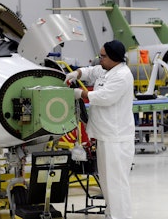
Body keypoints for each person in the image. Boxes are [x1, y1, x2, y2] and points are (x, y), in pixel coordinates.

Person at [65, 40, 135, 219]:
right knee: (106, 182)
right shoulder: (106, 70)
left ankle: (121, 216)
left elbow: (105, 97)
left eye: (103, 56)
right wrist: (76, 73)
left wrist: (80, 94)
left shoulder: (122, 75)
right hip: (105, 136)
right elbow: (90, 71)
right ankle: (111, 214)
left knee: (116, 183)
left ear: (114, 58)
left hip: (116, 138)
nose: (99, 59)